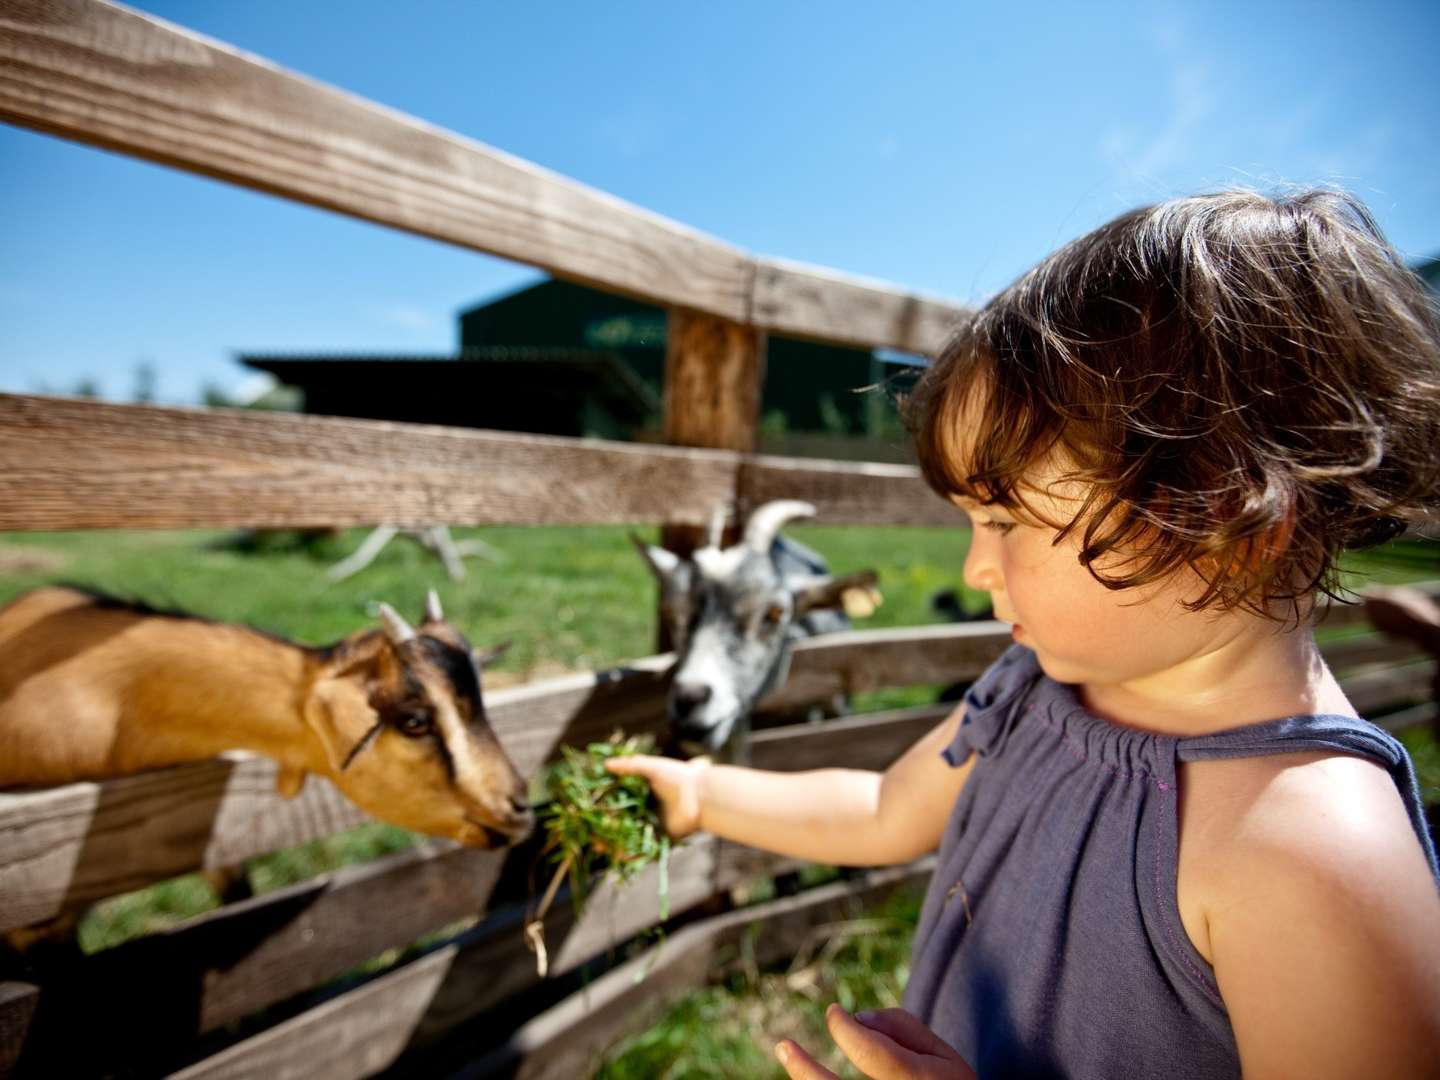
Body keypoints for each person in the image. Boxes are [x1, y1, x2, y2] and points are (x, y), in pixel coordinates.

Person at [608, 189, 1440, 1078]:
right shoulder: (1034, 687)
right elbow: (888, 810)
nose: (974, 568)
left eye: (1003, 521)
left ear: (1230, 524)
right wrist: (700, 795)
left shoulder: (1312, 855)